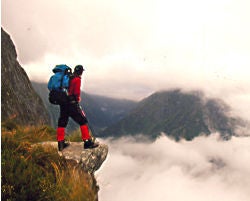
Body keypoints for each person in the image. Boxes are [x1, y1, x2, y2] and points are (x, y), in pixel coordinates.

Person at [57, 65, 99, 151]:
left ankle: (60, 144)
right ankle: (87, 142)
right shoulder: (77, 79)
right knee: (83, 121)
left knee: (62, 122)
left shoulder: (68, 78)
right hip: (72, 104)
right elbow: (76, 92)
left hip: (64, 103)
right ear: (81, 72)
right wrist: (77, 99)